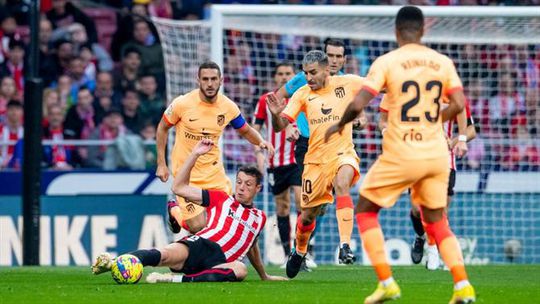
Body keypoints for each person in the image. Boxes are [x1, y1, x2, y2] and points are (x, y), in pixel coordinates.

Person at [324, 6, 475, 304]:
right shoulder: (442, 62)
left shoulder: (387, 62)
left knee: (366, 209)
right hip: (436, 153)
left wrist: (339, 124)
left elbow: (359, 103)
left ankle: (387, 283)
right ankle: (463, 286)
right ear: (423, 31)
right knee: (437, 219)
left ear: (396, 32)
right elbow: (458, 104)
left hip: (404, 149)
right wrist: (433, 120)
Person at [92, 139, 286, 283]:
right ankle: (116, 262)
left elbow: (252, 245)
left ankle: (173, 279)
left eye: (248, 184)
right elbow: (178, 188)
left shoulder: (259, 218)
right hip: (201, 244)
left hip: (221, 263)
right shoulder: (221, 198)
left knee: (241, 270)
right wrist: (195, 154)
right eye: (239, 182)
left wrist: (264, 275)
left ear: (258, 188)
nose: (241, 188)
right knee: (165, 255)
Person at [267, 50, 364, 278]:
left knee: (343, 183)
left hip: (343, 153)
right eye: (305, 73)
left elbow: (378, 85)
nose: (308, 78)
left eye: (313, 73)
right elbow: (281, 125)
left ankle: (345, 246)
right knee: (308, 215)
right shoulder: (301, 94)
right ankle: (299, 250)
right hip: (315, 161)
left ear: (326, 69)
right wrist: (274, 114)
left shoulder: (347, 83)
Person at [155, 61, 273, 234]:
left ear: (221, 80)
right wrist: (161, 163)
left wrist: (260, 141)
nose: (209, 84)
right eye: (205, 79)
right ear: (198, 80)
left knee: (228, 220)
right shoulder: (182, 103)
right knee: (197, 227)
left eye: (213, 79)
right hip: (186, 175)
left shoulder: (228, 107)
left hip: (214, 174)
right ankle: (175, 210)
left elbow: (245, 129)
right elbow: (162, 128)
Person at [381, 99, 476, 269]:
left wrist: (455, 141)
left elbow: (471, 130)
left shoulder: (453, 95)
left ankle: (440, 253)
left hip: (445, 160)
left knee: (440, 210)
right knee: (418, 210)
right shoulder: (413, 92)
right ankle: (420, 237)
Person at [253, 62, 302, 263]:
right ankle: (286, 255)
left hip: (298, 159)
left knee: (303, 203)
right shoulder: (266, 100)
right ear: (275, 77)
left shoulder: (301, 97)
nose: (284, 77)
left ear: (294, 76)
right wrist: (259, 153)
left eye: (288, 74)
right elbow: (255, 130)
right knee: (282, 208)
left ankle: (302, 252)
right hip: (276, 162)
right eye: (280, 74)